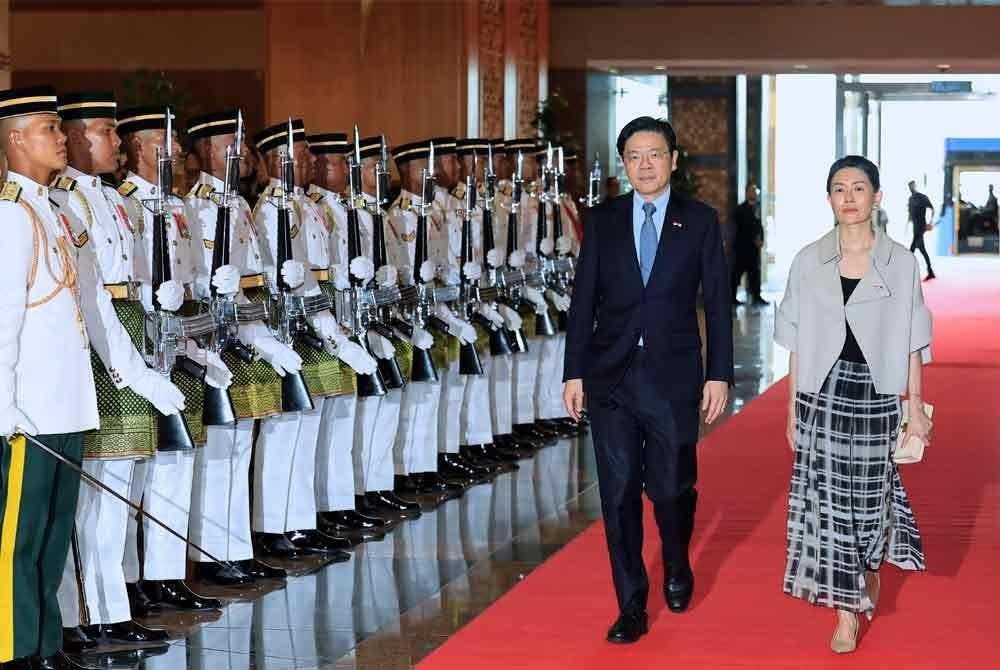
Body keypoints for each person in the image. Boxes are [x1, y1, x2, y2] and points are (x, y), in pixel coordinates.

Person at [563, 116, 733, 644]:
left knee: (670, 487)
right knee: (617, 494)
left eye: (654, 154)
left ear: (673, 160)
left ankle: (676, 561)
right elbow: (583, 300)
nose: (645, 165)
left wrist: (719, 374)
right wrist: (574, 371)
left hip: (672, 377)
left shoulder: (699, 221)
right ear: (624, 164)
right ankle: (631, 604)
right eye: (634, 156)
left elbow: (718, 303)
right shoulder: (603, 220)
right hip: (611, 378)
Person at [775, 155, 931, 654]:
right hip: (822, 393)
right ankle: (845, 612)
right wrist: (791, 411)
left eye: (859, 188)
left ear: (876, 197)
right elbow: (795, 341)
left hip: (877, 394)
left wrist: (915, 411)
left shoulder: (901, 263)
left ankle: (867, 568)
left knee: (868, 503)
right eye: (839, 189)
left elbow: (913, 341)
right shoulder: (808, 260)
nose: (849, 197)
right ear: (828, 199)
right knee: (830, 505)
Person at [730, 183, 768, 306]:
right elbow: (743, 228)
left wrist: (761, 239)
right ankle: (731, 298)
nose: (754, 193)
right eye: (752, 191)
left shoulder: (756, 208)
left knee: (755, 274)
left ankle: (756, 296)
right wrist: (753, 239)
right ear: (747, 193)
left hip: (754, 250)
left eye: (756, 191)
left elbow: (759, 226)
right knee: (737, 273)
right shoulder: (740, 209)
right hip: (742, 248)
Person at [907, 180, 935, 280]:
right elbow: (910, 212)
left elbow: (932, 209)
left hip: (921, 226)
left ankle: (905, 271)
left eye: (912, 186)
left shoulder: (922, 197)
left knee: (912, 248)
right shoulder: (911, 199)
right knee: (922, 249)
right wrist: (909, 219)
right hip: (915, 226)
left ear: (915, 186)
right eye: (910, 186)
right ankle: (930, 271)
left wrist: (930, 222)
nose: (911, 188)